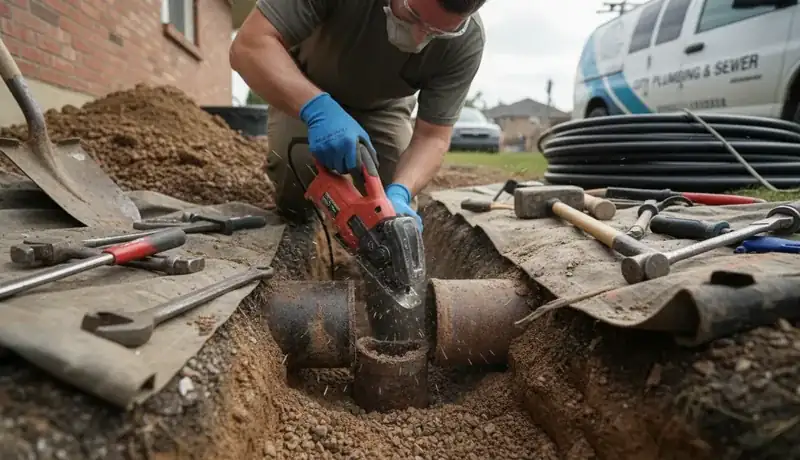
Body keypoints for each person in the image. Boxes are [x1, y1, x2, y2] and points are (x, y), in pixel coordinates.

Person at [230, 0, 486, 231]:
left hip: (384, 108)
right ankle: (302, 234)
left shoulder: (467, 40)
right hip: (304, 91)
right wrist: (318, 109)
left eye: (437, 32)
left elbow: (432, 138)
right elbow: (249, 46)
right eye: (413, 15)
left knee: (391, 211)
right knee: (296, 171)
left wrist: (400, 193)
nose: (419, 37)